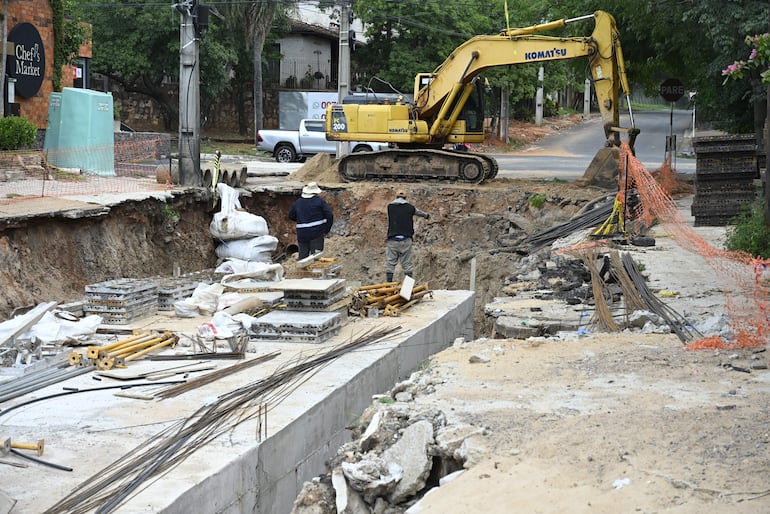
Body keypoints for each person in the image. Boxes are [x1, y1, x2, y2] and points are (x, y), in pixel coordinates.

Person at [385, 189, 429, 282]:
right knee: (407, 265)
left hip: (393, 239)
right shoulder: (410, 208)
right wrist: (426, 215)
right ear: (405, 197)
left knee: (390, 264)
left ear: (396, 196)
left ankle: (388, 285)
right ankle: (408, 288)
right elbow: (419, 212)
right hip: (406, 240)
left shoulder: (390, 207)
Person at [288, 181, 334, 259]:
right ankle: (315, 266)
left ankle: (302, 266)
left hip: (302, 233)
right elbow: (329, 215)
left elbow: (291, 215)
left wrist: (301, 220)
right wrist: (326, 229)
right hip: (317, 232)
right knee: (316, 256)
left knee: (303, 256)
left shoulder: (298, 202)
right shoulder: (319, 201)